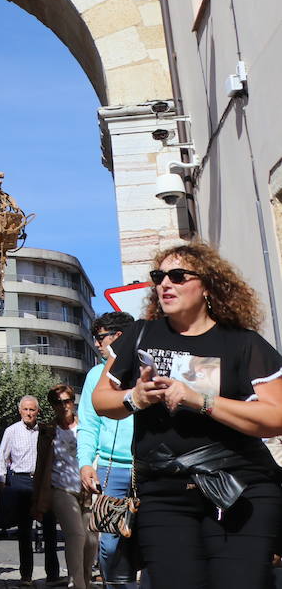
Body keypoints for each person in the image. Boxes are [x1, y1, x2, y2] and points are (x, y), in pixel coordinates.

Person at [93, 241, 282, 589]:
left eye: (178, 276)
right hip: (163, 495)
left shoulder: (242, 343)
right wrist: (134, 398)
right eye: (159, 276)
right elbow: (101, 400)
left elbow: (275, 416)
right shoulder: (139, 336)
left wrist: (203, 400)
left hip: (238, 488)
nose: (165, 283)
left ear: (208, 284)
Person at [77, 310, 138, 589]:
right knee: (110, 544)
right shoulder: (95, 376)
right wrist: (86, 463)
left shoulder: (146, 370)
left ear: (119, 337)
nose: (97, 344)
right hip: (111, 470)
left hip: (147, 468)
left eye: (101, 337)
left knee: (151, 538)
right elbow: (88, 425)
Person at [33, 383, 93, 589]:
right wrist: (38, 498)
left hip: (87, 488)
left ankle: (86, 578)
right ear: (52, 406)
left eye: (67, 401)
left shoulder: (86, 425)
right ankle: (77, 584)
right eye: (58, 402)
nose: (63, 405)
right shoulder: (48, 431)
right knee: (76, 534)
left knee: (92, 539)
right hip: (61, 488)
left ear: (73, 402)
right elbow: (41, 465)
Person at [0, 395, 59, 587]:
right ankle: (26, 576)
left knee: (50, 529)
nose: (29, 413)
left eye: (32, 410)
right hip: (20, 481)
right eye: (26, 409)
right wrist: (1, 482)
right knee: (24, 532)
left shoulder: (46, 431)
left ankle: (53, 575)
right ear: (20, 411)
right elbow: (2, 458)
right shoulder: (11, 431)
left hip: (43, 483)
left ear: (37, 412)